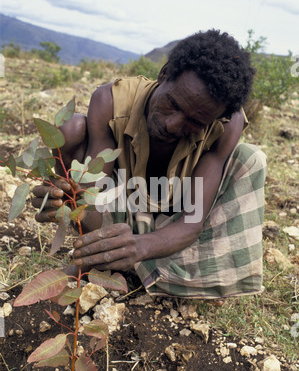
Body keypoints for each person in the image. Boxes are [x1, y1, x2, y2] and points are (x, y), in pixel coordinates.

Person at [32, 29, 267, 300]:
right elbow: (92, 205)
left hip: (176, 220)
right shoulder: (110, 101)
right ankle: (137, 267)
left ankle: (133, 267)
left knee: (250, 159)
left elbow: (191, 224)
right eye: (172, 104)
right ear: (164, 74)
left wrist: (141, 247)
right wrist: (71, 203)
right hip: (122, 214)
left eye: (195, 122)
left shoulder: (226, 125)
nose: (173, 124)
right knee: (71, 129)